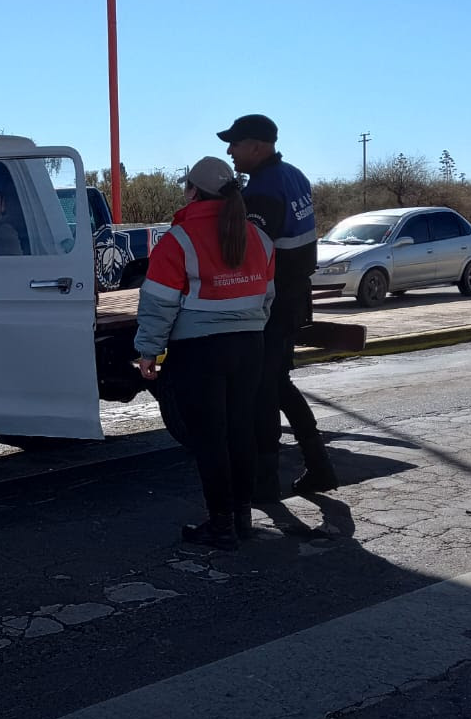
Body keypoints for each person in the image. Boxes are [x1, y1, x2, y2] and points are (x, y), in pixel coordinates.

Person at [134, 156, 275, 550]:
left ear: (192, 191)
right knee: (240, 429)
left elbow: (158, 304)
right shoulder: (259, 239)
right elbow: (266, 299)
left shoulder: (178, 241)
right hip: (249, 346)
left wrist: (148, 350)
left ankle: (220, 525)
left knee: (211, 437)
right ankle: (242, 516)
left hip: (200, 351)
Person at [219, 113, 339, 500]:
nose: (229, 151)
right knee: (277, 383)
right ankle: (318, 466)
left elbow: (250, 255)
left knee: (264, 389)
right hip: (294, 295)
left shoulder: (263, 192)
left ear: (257, 146)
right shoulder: (294, 175)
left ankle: (265, 481)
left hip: (273, 300)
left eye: (235, 144)